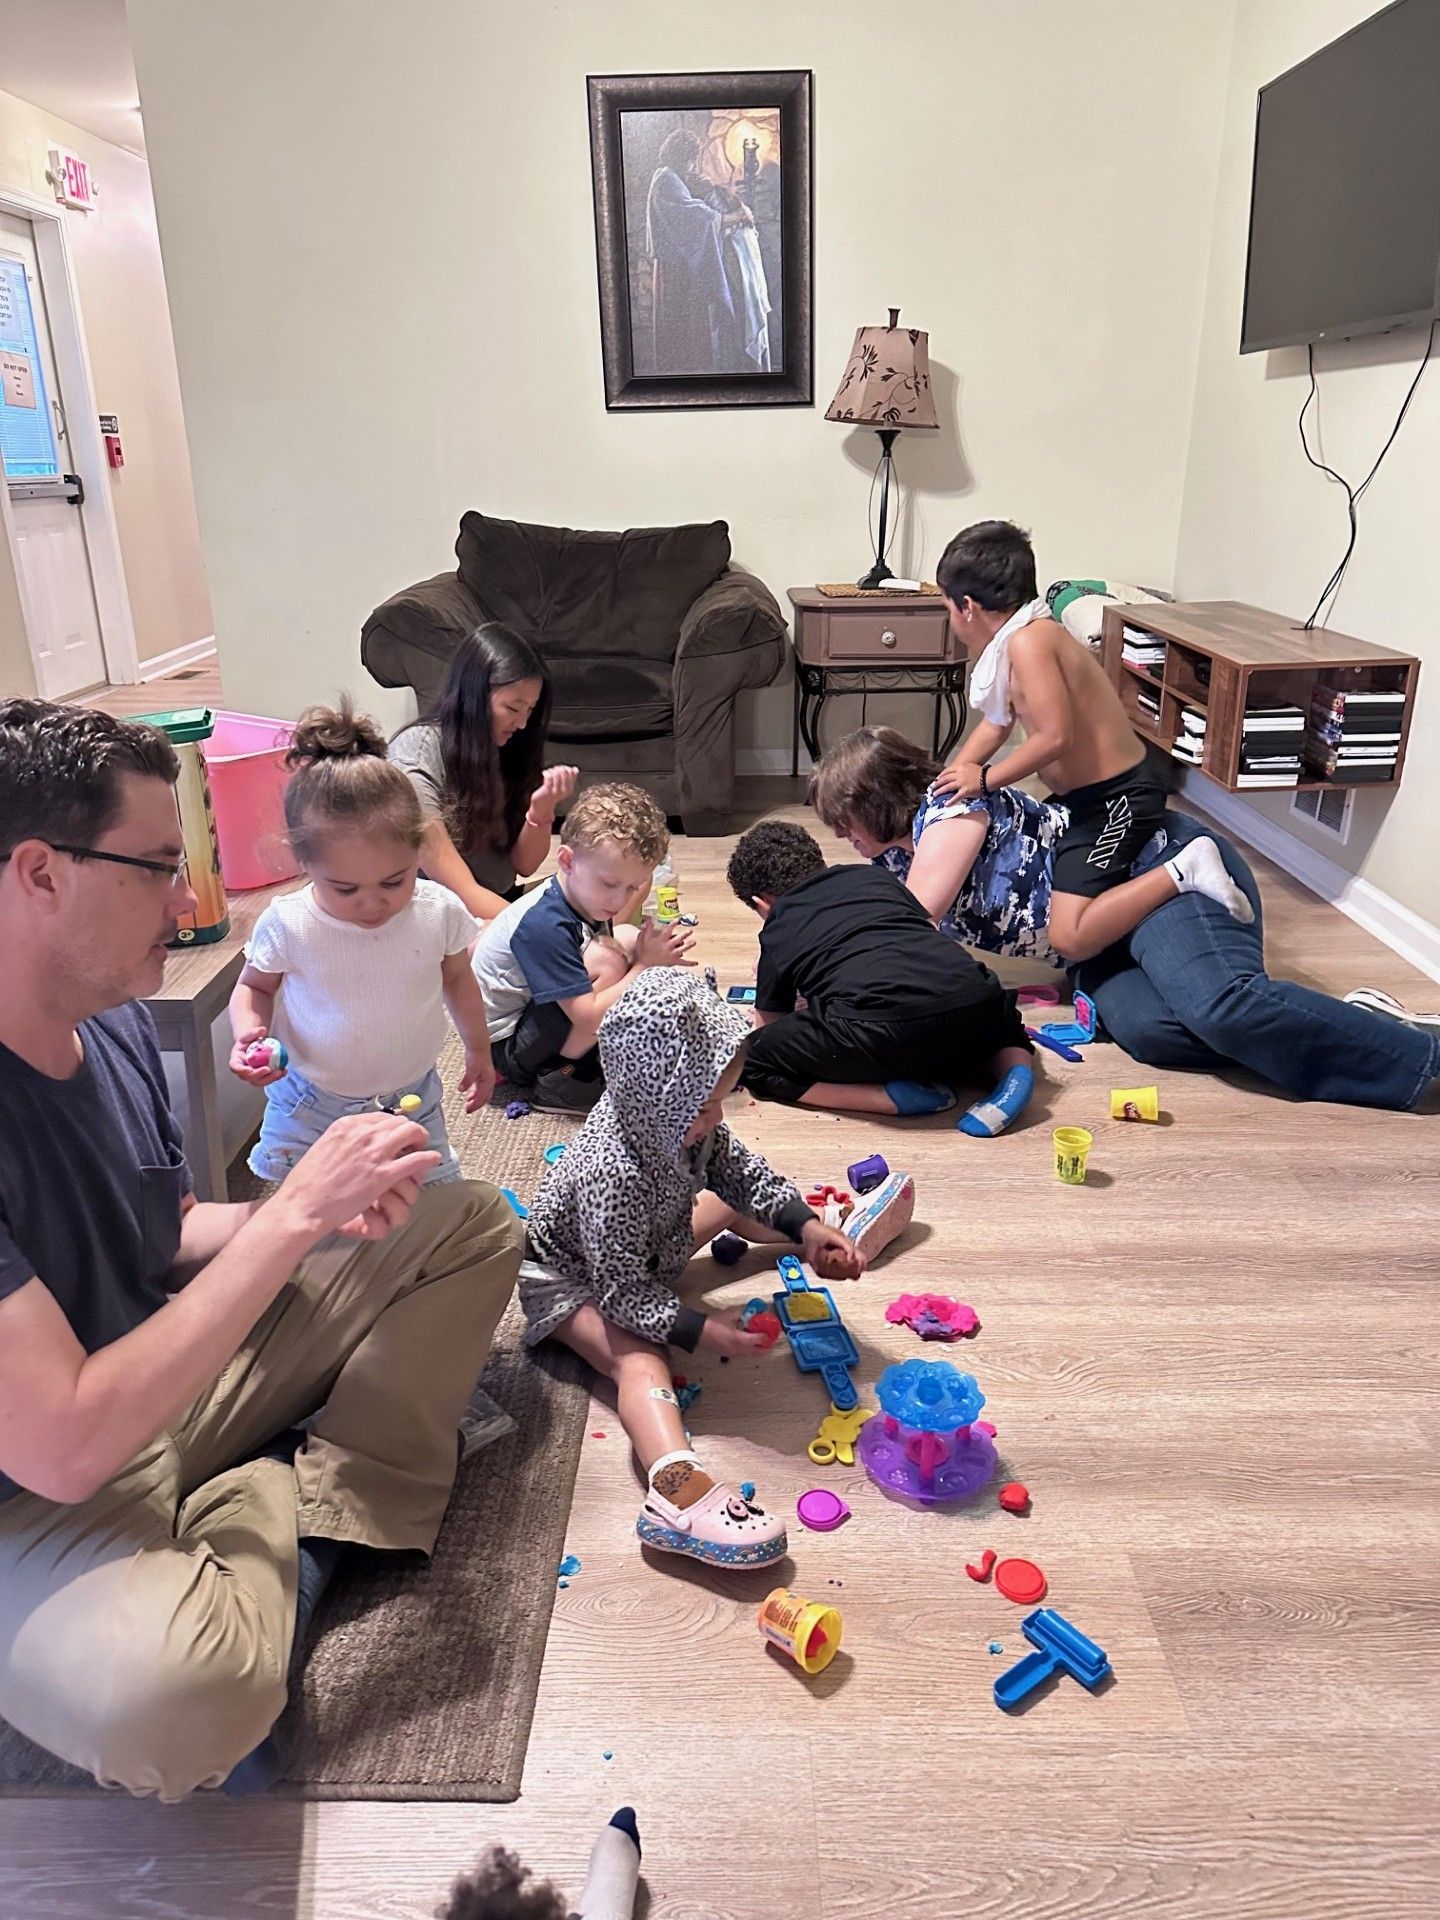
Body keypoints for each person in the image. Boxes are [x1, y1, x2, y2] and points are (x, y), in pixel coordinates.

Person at [0, 699, 522, 1800]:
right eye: (153, 864)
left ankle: (295, 1504)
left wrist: (309, 1215)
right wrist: (289, 1217)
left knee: (470, 1221)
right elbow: (60, 1447)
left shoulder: (109, 1023)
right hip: (38, 1485)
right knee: (176, 1709)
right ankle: (296, 1494)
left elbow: (164, 1233)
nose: (192, 897)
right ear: (40, 872)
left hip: (167, 1379)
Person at [811, 724, 1440, 1113]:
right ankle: (1357, 1023)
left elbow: (911, 924)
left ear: (878, 800)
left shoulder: (949, 812)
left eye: (845, 817)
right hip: (1098, 943)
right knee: (1153, 1034)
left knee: (1219, 1006)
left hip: (1164, 870)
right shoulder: (893, 862)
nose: (841, 834)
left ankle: (1423, 1056)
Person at [521, 970, 906, 1570]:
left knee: (736, 1195)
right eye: (702, 1105)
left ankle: (811, 1236)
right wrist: (701, 1328)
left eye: (721, 1098)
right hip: (575, 1279)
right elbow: (623, 1294)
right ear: (658, 1100)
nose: (715, 1115)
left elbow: (740, 1171)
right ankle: (676, 1491)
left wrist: (805, 1228)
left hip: (652, 1236)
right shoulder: (611, 1171)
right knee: (642, 1354)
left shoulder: (683, 1124)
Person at [933, 519, 1252, 961]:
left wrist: (985, 781)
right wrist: (945, 783)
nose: (951, 620)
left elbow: (1054, 738)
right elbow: (997, 723)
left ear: (967, 606)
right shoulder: (1019, 640)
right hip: (1081, 801)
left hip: (1119, 800)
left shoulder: (1030, 643)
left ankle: (1186, 867)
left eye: (946, 608)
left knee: (1069, 938)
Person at [228, 702, 495, 1181]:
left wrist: (479, 1049)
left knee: (431, 1198)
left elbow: (457, 978)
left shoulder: (437, 910)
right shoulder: (289, 923)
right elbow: (255, 987)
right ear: (303, 863)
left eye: (395, 882)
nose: (372, 904)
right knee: (303, 1212)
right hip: (312, 1102)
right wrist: (250, 1030)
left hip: (412, 1096)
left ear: (419, 849)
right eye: (345, 889)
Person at [725, 820, 1036, 1138]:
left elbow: (769, 1025)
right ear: (818, 862)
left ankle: (890, 1098)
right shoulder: (875, 877)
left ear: (763, 903)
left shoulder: (777, 926)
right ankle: (1015, 1072)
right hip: (974, 1004)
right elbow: (926, 931)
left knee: (752, 1059)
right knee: (999, 1016)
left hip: (887, 1032)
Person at [472, 783, 694, 1115]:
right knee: (609, 962)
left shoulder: (581, 895)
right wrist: (644, 966)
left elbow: (616, 939)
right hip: (505, 1050)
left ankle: (598, 1042)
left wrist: (646, 953)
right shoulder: (544, 925)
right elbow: (588, 1015)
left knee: (628, 937)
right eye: (609, 884)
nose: (620, 900)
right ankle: (559, 1080)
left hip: (532, 1013)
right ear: (567, 861)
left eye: (632, 887)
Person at [388, 622, 578, 921]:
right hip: (449, 918)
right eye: (514, 708)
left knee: (617, 882)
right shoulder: (418, 751)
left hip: (498, 903)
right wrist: (540, 932)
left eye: (530, 710)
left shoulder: (506, 748)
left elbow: (524, 866)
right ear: (474, 695)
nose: (523, 724)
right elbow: (462, 892)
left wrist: (540, 811)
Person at [644, 128, 755, 375]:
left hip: (676, 267)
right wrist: (738, 215)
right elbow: (695, 217)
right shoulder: (667, 179)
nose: (693, 166)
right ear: (683, 156)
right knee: (683, 330)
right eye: (692, 159)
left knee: (684, 329)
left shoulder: (667, 177)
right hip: (676, 271)